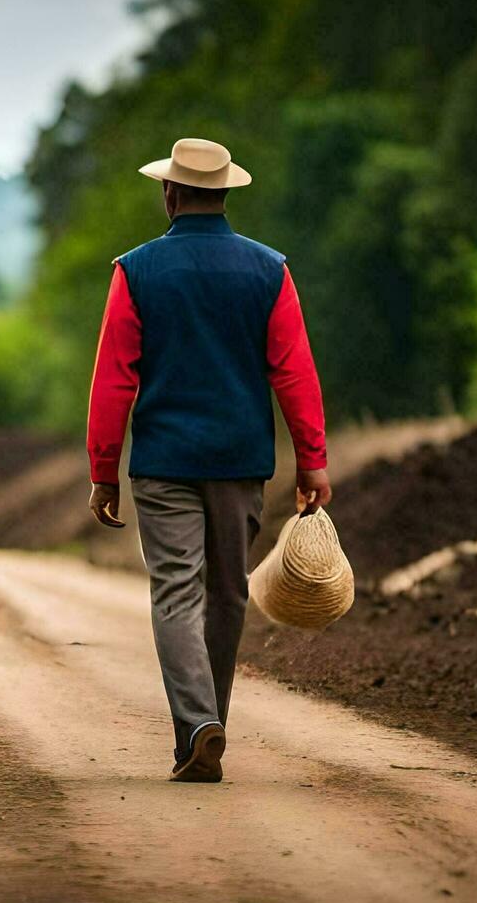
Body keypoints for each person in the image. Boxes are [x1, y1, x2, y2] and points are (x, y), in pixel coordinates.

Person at [86, 137, 330, 783]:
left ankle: (198, 729)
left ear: (169, 192)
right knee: (228, 595)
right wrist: (313, 460)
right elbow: (293, 371)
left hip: (164, 462)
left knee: (175, 594)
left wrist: (102, 471)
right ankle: (205, 723)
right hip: (240, 461)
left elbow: (114, 380)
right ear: (224, 192)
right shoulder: (269, 269)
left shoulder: (135, 270)